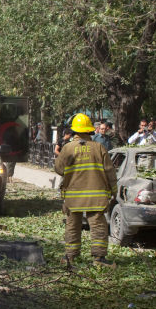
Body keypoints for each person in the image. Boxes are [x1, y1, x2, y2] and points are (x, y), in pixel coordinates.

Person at [54, 113, 117, 270]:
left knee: (72, 225)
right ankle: (99, 258)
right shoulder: (99, 148)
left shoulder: (68, 148)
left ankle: (70, 256)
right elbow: (110, 172)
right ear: (90, 130)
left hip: (73, 196)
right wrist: (114, 190)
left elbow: (59, 170)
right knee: (97, 225)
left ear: (75, 131)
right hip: (96, 196)